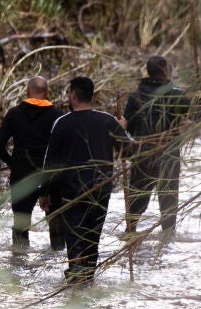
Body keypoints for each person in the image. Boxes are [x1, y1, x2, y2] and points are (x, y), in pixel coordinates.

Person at [42, 76, 134, 284]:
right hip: (101, 190)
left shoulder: (62, 123)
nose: (68, 97)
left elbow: (50, 163)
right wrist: (123, 129)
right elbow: (128, 149)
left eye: (69, 93)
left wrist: (44, 192)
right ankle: (87, 282)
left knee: (75, 241)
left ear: (74, 95)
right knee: (93, 240)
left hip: (72, 193)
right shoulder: (107, 121)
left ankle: (76, 284)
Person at [123, 55, 193, 237]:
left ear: (148, 72)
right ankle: (168, 240)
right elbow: (196, 116)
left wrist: (124, 148)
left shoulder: (135, 96)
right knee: (169, 204)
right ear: (165, 71)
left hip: (142, 155)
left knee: (136, 201)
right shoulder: (176, 95)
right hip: (169, 155)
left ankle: (130, 236)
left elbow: (124, 125)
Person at [0, 76, 64, 251]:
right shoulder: (57, 116)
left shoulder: (14, 113)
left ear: (27, 91)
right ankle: (57, 256)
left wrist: (12, 162)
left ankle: (19, 260)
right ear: (47, 93)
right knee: (55, 221)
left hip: (22, 174)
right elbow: (63, 150)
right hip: (49, 176)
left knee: (21, 223)